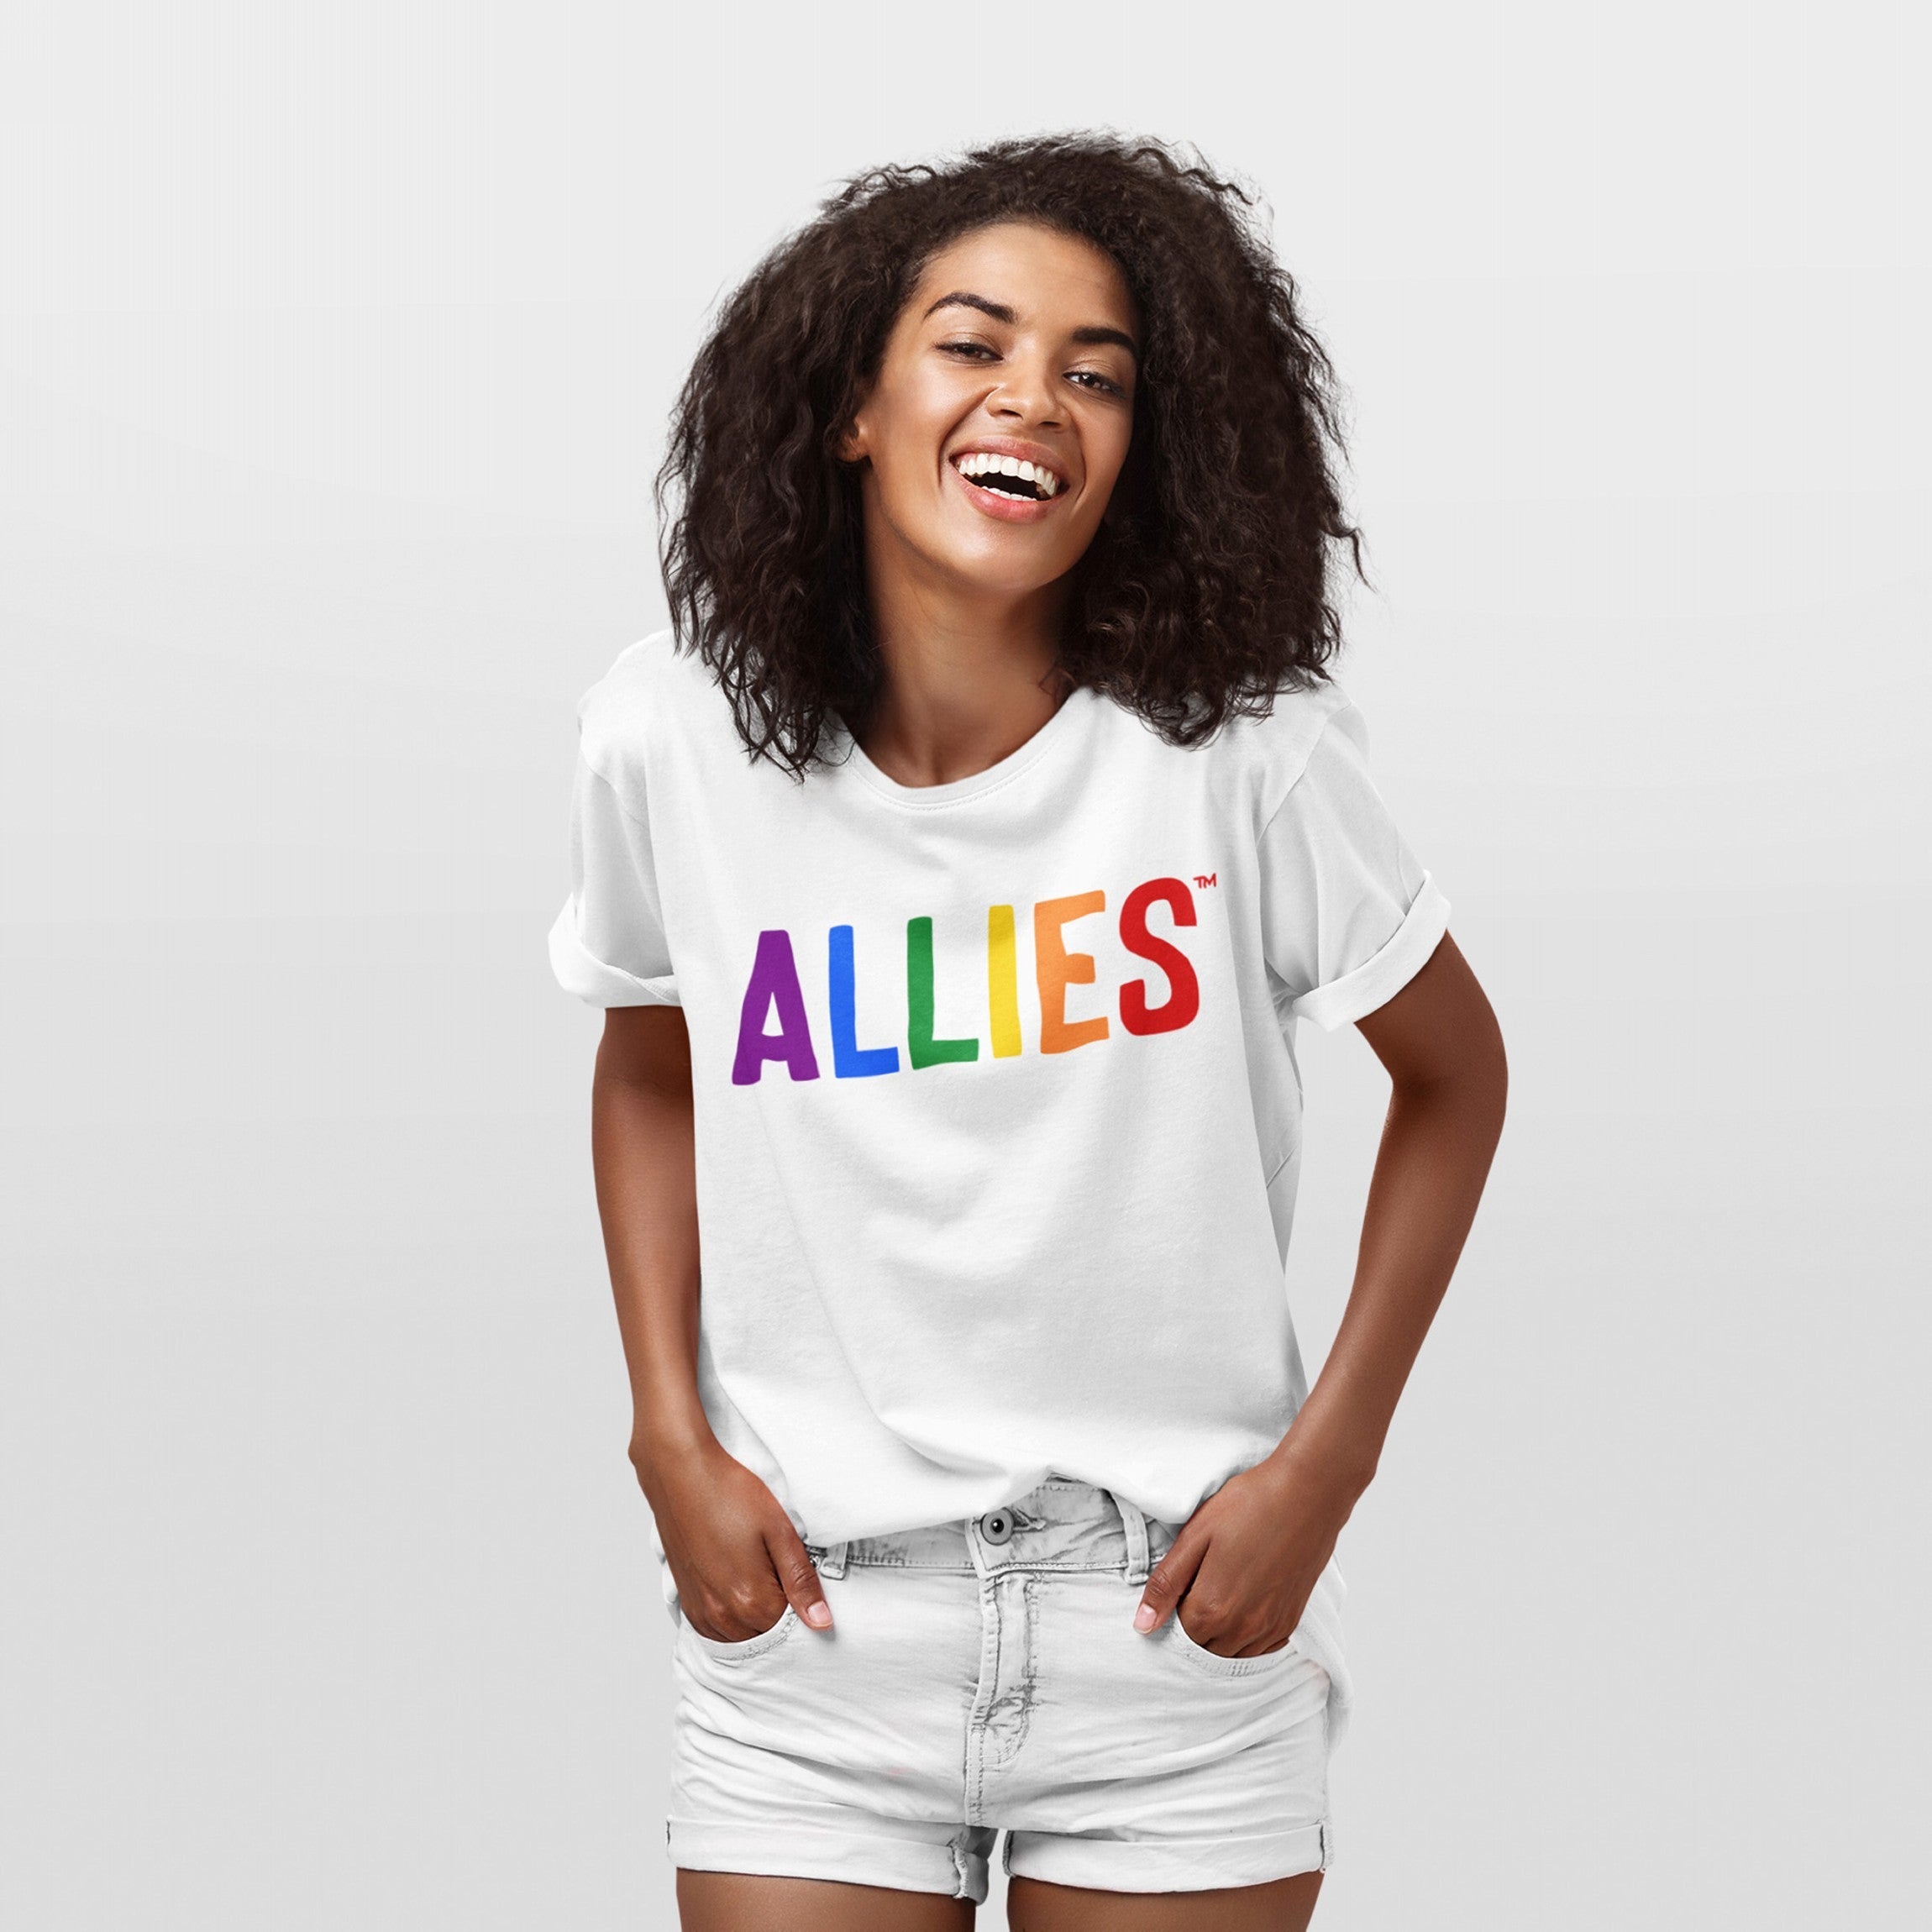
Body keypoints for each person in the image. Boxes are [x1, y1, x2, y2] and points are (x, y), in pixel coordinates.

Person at [549, 133, 1506, 1932]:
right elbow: (648, 1048)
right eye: (973, 344)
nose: (1033, 400)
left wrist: (1328, 1467)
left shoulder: (1244, 757)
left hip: (1165, 1632)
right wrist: (664, 1433)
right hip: (816, 1633)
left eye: (1097, 373)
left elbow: (1456, 1074)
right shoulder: (666, 739)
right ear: (850, 404)